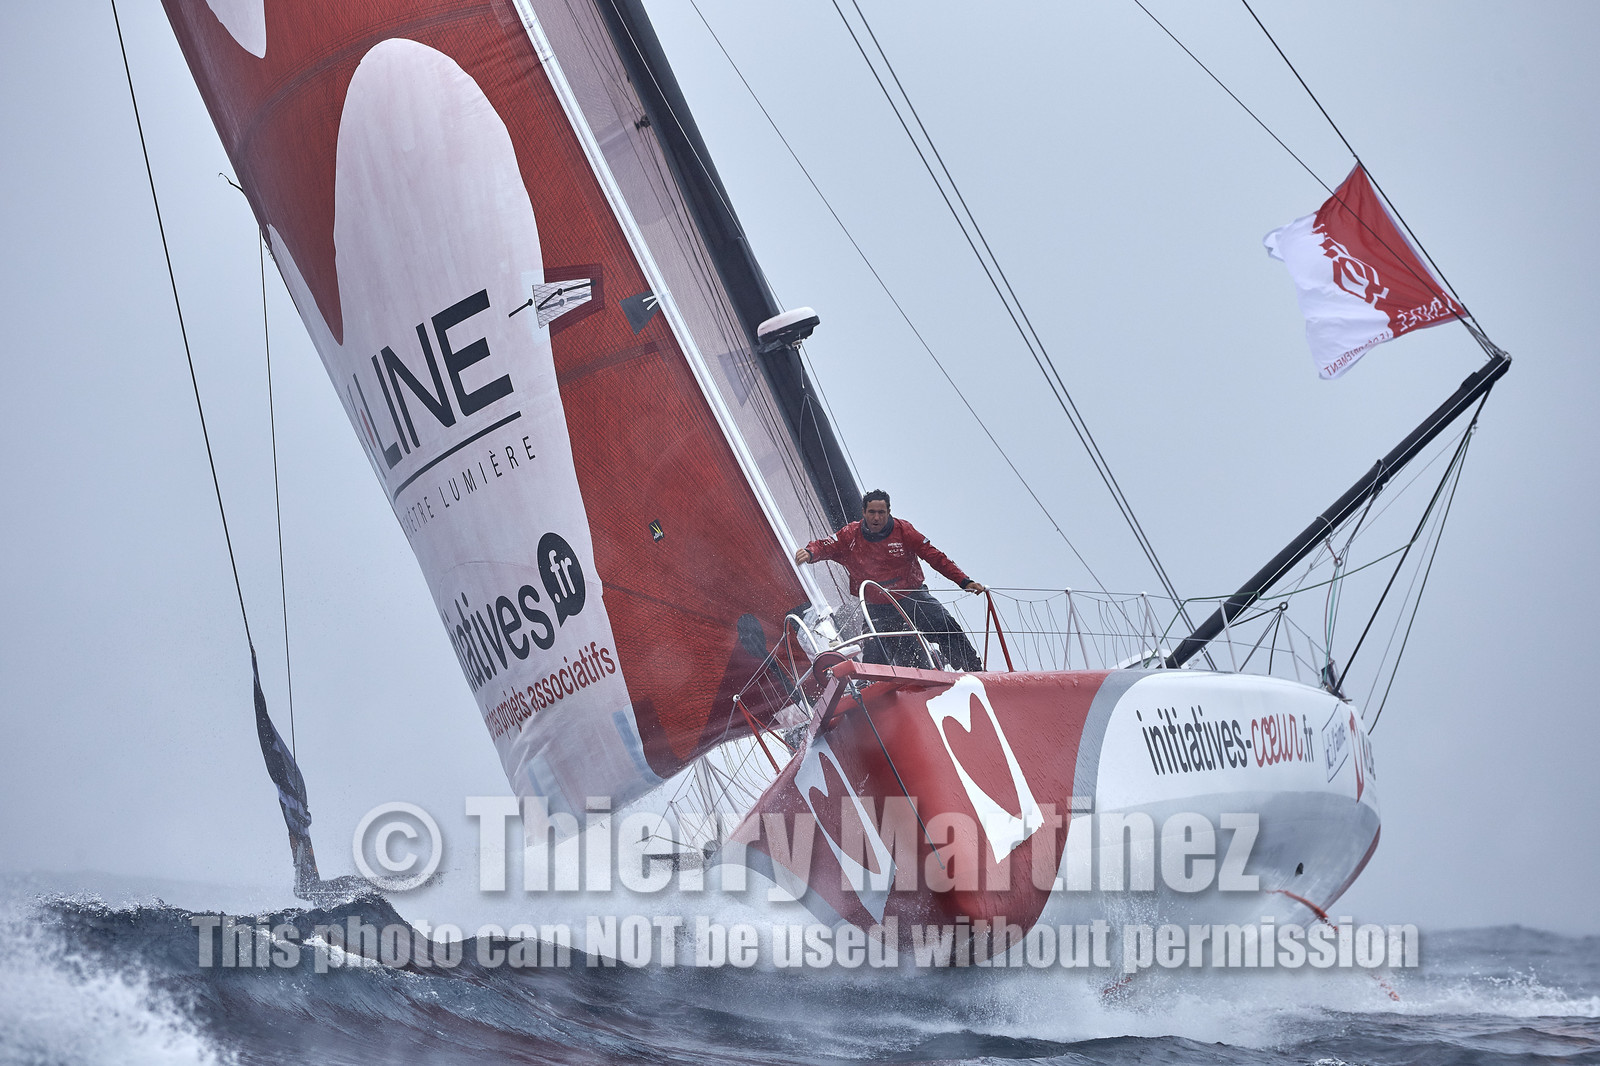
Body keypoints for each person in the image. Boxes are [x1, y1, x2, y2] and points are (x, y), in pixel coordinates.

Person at [794, 490, 986, 672]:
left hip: (912, 597)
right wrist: (810, 553)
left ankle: (974, 669)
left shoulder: (904, 530)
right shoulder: (850, 534)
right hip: (877, 607)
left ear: (889, 512)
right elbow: (824, 546)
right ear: (863, 512)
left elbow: (935, 557)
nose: (876, 518)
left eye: (881, 513)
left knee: (945, 625)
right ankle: (871, 685)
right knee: (875, 654)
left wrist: (964, 581)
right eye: (872, 512)